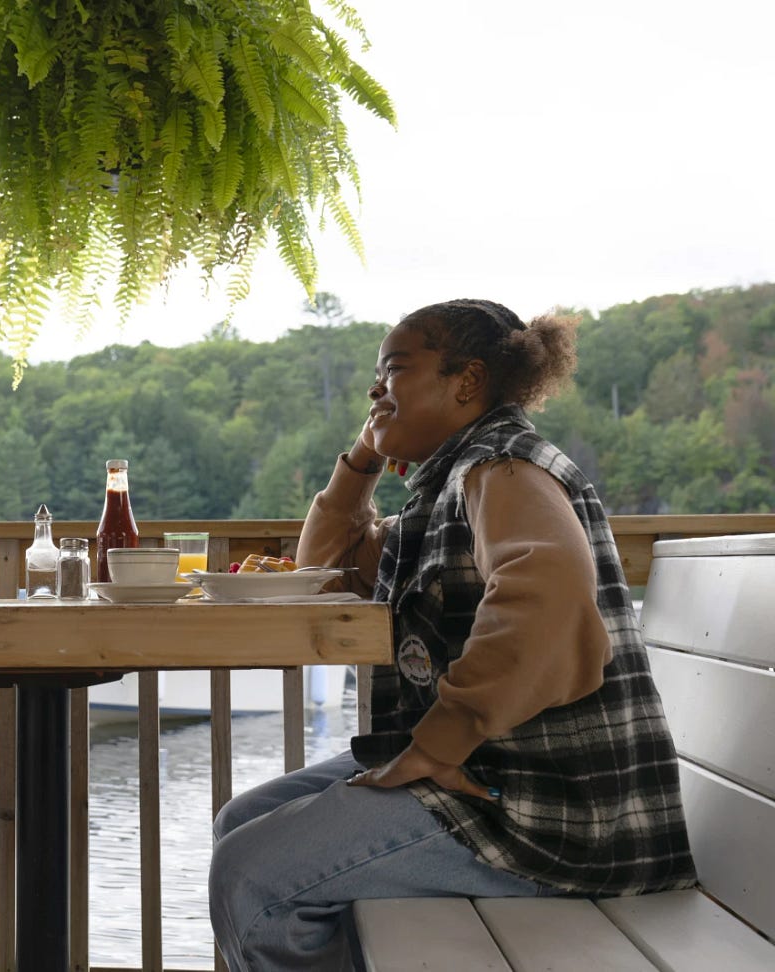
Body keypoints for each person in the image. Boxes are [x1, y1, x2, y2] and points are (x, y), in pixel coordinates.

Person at [208, 299, 696, 970]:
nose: (376, 389)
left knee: (254, 875)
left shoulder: (505, 469)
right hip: (493, 772)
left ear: (466, 382)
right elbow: (325, 563)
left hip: (550, 813)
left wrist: (445, 737)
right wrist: (365, 452)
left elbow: (547, 593)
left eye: (395, 370)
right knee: (242, 822)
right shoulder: (447, 487)